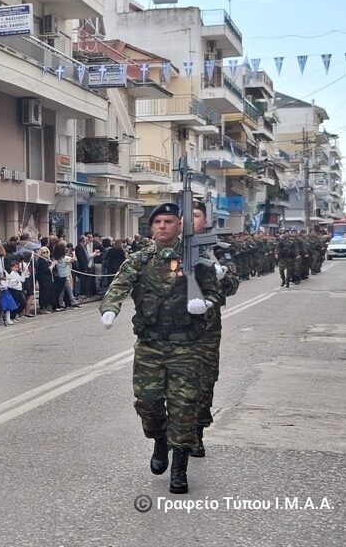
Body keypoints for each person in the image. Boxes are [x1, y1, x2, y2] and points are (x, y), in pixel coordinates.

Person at [99, 202, 220, 494]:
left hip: (186, 346)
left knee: (183, 407)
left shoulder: (196, 260)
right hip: (150, 345)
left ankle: (179, 468)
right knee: (148, 403)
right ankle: (159, 439)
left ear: (179, 225)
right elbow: (118, 286)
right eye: (158, 222)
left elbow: (216, 295)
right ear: (151, 227)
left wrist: (204, 304)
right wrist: (110, 309)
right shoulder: (139, 260)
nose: (162, 226)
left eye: (168, 221)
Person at [189, 201, 237, 458]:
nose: (190, 219)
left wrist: (222, 276)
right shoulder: (167, 248)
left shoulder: (218, 249)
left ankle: (197, 433)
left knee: (204, 383)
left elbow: (233, 286)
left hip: (207, 330)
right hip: (174, 328)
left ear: (205, 220)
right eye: (185, 215)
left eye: (195, 215)